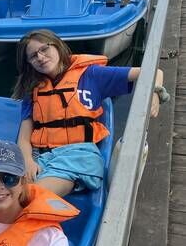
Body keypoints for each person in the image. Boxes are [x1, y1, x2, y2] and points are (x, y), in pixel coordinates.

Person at [14, 29, 167, 196]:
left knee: (30, 196)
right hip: (42, 156)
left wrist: (156, 93)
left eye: (44, 49)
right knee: (8, 189)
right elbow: (24, 137)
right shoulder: (33, 89)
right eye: (33, 56)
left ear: (57, 45)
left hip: (79, 157)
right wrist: (28, 161)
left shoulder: (92, 75)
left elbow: (154, 72)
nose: (40, 57)